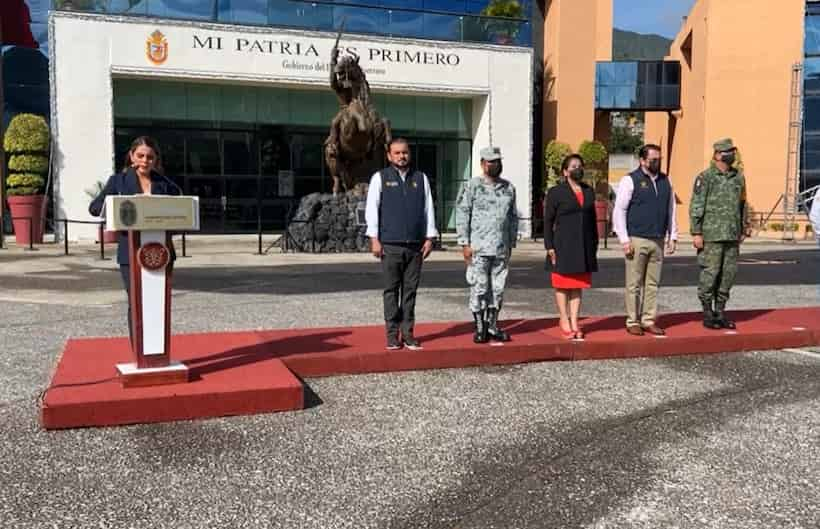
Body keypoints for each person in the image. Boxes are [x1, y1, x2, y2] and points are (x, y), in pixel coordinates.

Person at [88, 136, 181, 346]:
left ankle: (158, 350)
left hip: (161, 251)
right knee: (137, 302)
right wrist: (113, 205)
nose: (145, 161)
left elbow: (179, 210)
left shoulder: (165, 183)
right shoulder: (117, 181)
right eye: (140, 156)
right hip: (131, 253)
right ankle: (139, 349)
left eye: (150, 157)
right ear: (131, 156)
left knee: (159, 302)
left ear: (155, 160)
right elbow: (94, 208)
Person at [365, 138, 438, 351]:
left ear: (410, 154)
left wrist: (430, 238)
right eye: (396, 153)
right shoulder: (380, 178)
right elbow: (372, 209)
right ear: (389, 156)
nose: (401, 156)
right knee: (391, 291)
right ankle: (391, 336)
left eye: (404, 152)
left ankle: (408, 334)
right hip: (390, 245)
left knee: (410, 292)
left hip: (415, 246)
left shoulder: (421, 178)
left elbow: (428, 209)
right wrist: (374, 239)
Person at [612, 144, 678, 336]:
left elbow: (671, 209)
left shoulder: (666, 181)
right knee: (634, 283)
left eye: (659, 159)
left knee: (652, 284)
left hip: (657, 239)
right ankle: (632, 320)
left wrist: (672, 236)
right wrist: (624, 239)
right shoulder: (630, 180)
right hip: (636, 238)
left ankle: (648, 319)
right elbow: (620, 210)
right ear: (642, 160)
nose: (657, 162)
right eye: (653, 159)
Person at [455, 146, 518, 344]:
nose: (495, 164)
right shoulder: (472, 186)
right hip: (478, 248)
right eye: (491, 161)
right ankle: (480, 326)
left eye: (497, 161)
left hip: (500, 248)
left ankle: (492, 325)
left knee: (498, 288)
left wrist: (511, 243)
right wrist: (464, 243)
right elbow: (463, 213)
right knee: (479, 287)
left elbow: (512, 217)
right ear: (482, 164)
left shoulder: (508, 188)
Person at [689, 138, 751, 330]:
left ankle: (720, 312)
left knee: (728, 274)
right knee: (710, 273)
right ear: (717, 155)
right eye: (727, 151)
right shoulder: (705, 177)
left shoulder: (738, 177)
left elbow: (742, 204)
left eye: (732, 151)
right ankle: (708, 313)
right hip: (711, 235)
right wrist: (696, 232)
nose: (731, 155)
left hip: (732, 235)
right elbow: (696, 205)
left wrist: (743, 227)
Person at [543, 154, 599, 340]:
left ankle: (575, 320)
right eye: (573, 166)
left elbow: (592, 220)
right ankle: (564, 319)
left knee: (577, 286)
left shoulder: (589, 191)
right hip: (562, 244)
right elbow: (548, 221)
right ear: (565, 171)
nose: (578, 169)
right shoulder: (556, 192)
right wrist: (549, 246)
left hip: (584, 245)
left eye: (580, 166)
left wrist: (595, 244)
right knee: (562, 284)